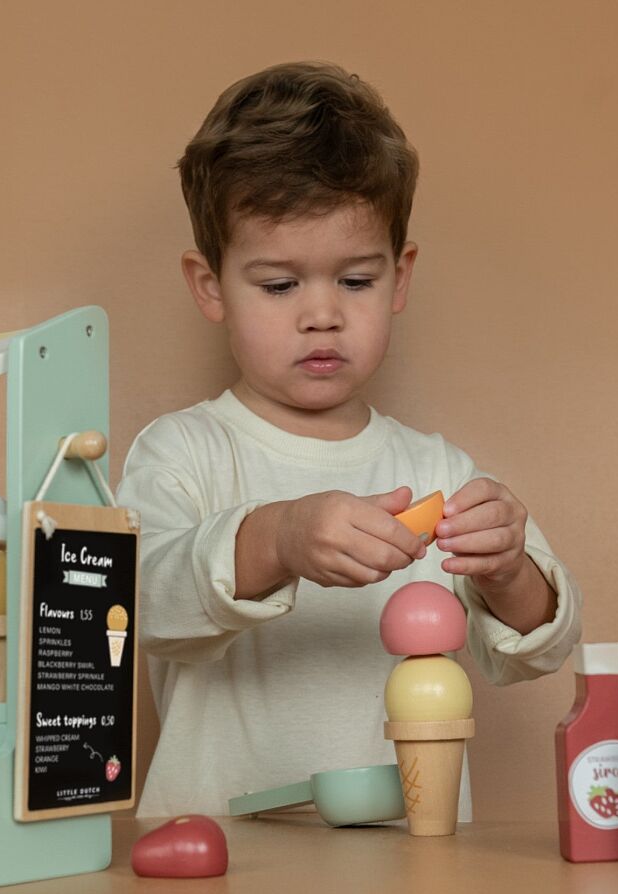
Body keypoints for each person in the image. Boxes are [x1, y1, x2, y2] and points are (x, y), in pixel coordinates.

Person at [116, 61, 581, 819]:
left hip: (409, 868)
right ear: (210, 286)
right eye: (279, 285)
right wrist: (277, 536)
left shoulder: (435, 469)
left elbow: (541, 646)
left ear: (399, 279)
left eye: (356, 281)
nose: (322, 315)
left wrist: (508, 572)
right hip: (220, 862)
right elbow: (138, 608)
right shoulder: (181, 453)